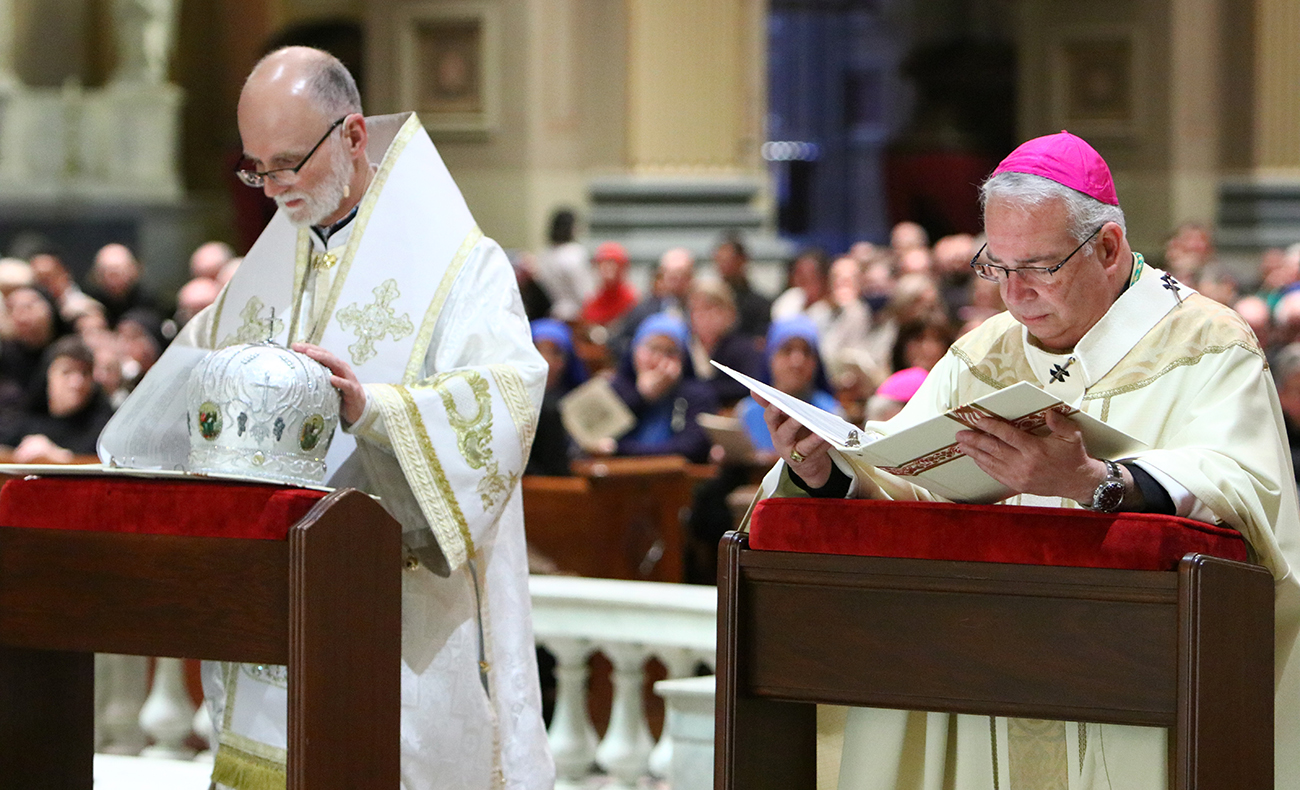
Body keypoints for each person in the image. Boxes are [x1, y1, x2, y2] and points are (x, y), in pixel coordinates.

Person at [752, 131, 1300, 789]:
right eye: (996, 267)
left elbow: (1248, 489)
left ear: (1106, 247)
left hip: (1138, 670)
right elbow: (908, 478)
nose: (1014, 296)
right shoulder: (983, 354)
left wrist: (1092, 481)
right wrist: (826, 471)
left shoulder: (1206, 344)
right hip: (988, 667)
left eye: (1038, 267)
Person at [97, 46, 553, 789]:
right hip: (279, 605)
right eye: (255, 169)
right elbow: (182, 396)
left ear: (351, 136)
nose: (272, 188)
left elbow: (507, 397)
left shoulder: (461, 267)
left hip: (403, 618)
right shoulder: (273, 265)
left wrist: (374, 407)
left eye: (286, 164)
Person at [600, 312, 716, 463]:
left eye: (671, 352)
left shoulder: (699, 394)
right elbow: (598, 438)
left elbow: (690, 448)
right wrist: (641, 396)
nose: (659, 359)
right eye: (652, 348)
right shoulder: (613, 389)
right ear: (635, 350)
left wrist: (620, 449)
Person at [0, 335, 115, 461]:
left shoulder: (104, 425)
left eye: (85, 373)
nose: (77, 383)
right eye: (66, 372)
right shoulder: (27, 416)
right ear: (48, 376)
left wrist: (55, 454)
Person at [533, 208, 593, 321]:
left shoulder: (543, 254)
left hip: (553, 312)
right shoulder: (575, 253)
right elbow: (584, 293)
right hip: (576, 314)